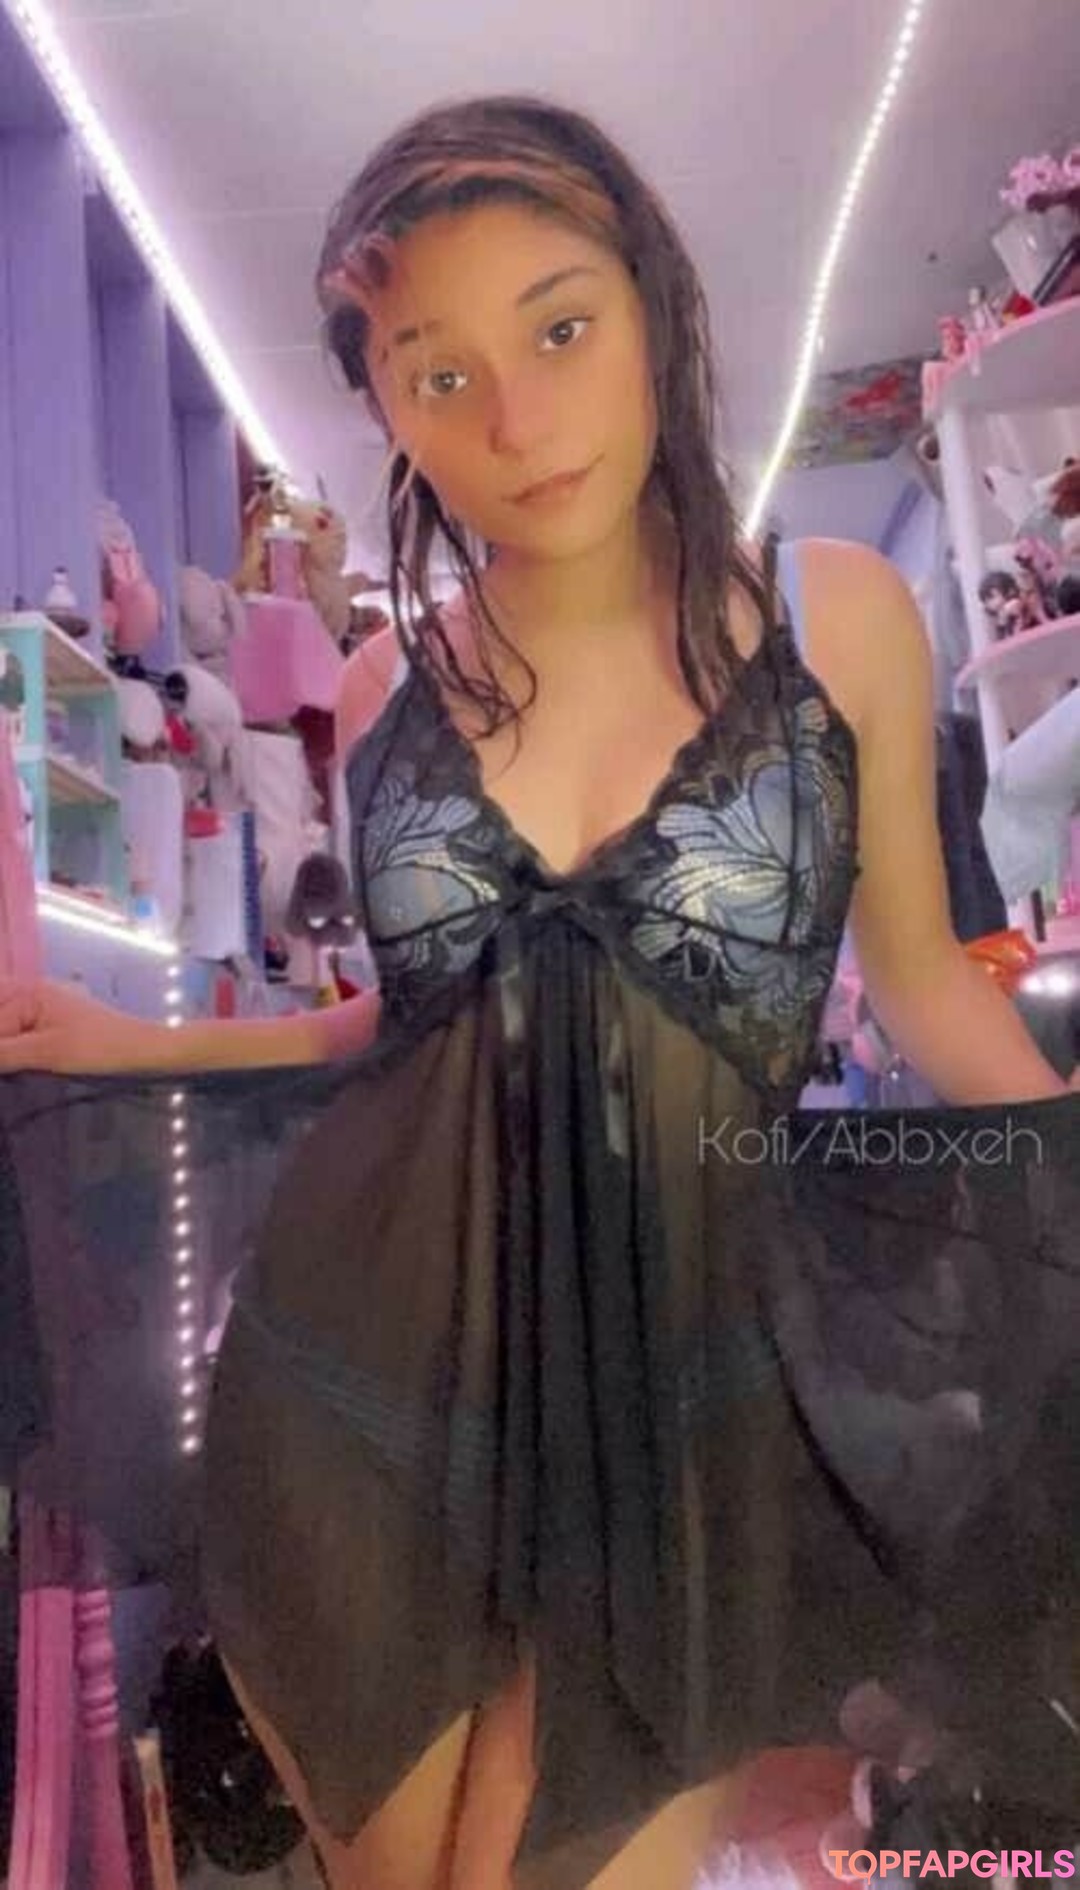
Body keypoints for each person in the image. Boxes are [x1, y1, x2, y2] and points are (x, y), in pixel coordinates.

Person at [0, 96, 1077, 1890]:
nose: (514, 417)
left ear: (653, 304)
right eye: (439, 375)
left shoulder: (837, 625)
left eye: (561, 327)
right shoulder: (381, 687)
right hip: (360, 1387)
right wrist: (136, 1039)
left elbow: (926, 991)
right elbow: (409, 1030)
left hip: (681, 1407)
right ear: (388, 413)